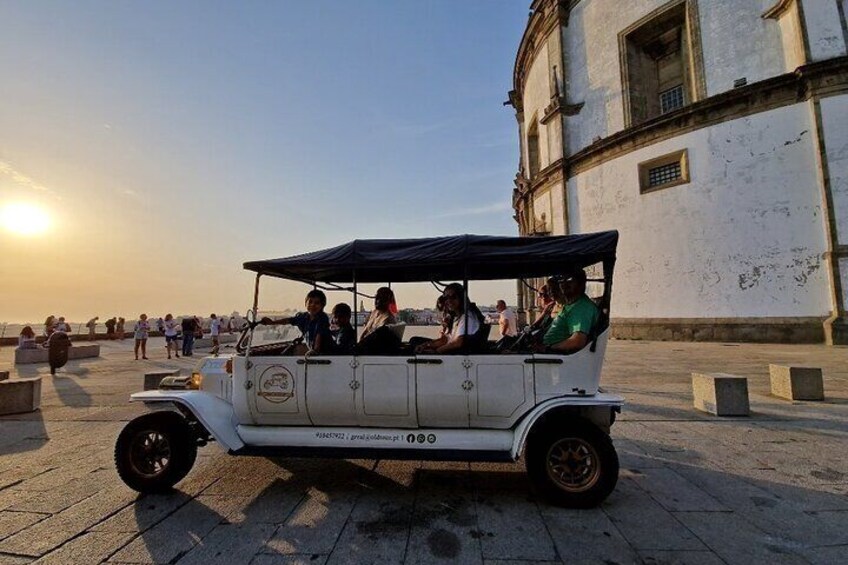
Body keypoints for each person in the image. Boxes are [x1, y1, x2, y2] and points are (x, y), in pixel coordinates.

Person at [538, 267, 600, 354]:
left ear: (581, 283)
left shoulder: (582, 307)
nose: (564, 283)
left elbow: (577, 341)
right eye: (561, 280)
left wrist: (547, 348)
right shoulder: (571, 305)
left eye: (569, 280)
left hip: (555, 356)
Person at [416, 283, 482, 354]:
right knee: (415, 341)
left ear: (461, 298)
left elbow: (457, 343)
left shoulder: (468, 317)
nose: (449, 300)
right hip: (449, 349)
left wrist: (436, 352)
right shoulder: (456, 317)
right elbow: (445, 340)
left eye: (453, 297)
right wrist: (426, 345)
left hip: (454, 354)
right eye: (446, 297)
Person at [261, 289, 332, 355]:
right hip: (315, 352)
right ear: (305, 303)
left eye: (317, 303)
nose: (313, 305)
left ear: (322, 306)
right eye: (310, 302)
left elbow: (319, 335)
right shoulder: (303, 317)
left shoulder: (322, 318)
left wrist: (315, 351)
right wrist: (272, 323)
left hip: (328, 354)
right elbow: (288, 320)